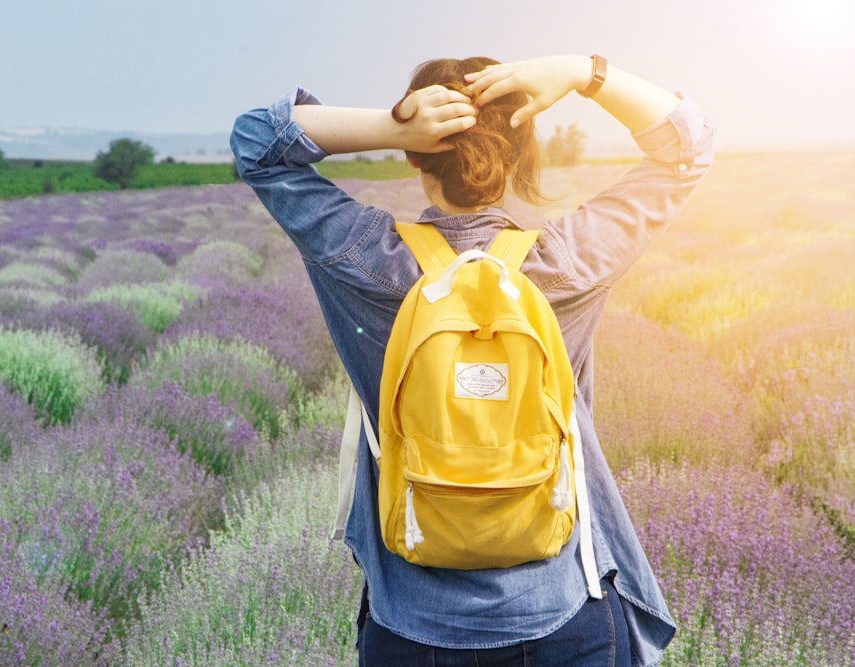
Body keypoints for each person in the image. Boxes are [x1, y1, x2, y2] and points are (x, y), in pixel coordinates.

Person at [231, 54, 714, 666]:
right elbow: (688, 147)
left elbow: (255, 142)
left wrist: (388, 126)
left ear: (415, 155)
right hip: (565, 611)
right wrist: (582, 72)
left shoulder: (365, 258)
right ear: (523, 154)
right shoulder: (564, 264)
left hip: (411, 622)